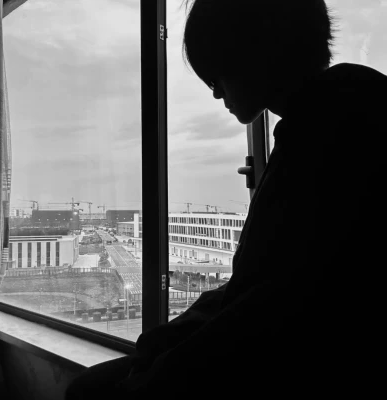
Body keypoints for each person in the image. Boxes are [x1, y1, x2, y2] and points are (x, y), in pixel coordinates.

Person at [66, 1, 387, 398]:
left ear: (255, 54)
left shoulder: (325, 136)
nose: (217, 92)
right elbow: (256, 290)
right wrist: (165, 345)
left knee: (88, 390)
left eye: (216, 75)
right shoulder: (342, 113)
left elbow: (266, 308)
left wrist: (157, 368)